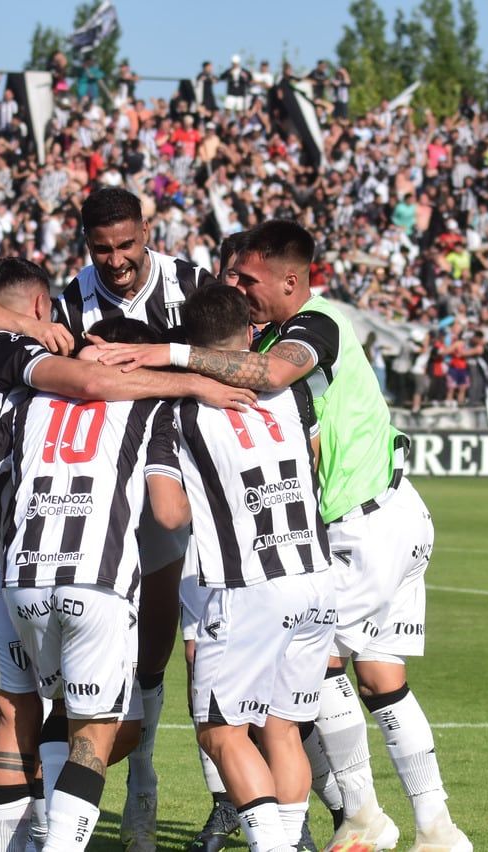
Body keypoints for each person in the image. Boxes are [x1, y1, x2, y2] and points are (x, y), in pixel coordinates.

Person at [94, 220, 472, 852]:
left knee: (301, 691)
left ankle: (358, 816)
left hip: (354, 526)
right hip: (383, 512)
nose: (237, 288)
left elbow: (267, 374)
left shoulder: (314, 325)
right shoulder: (273, 342)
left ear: (290, 280)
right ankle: (436, 828)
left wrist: (169, 357)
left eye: (248, 277)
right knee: (379, 677)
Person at [0, 188, 220, 850]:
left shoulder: (190, 283)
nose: (118, 261)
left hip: (179, 476)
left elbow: (238, 346)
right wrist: (34, 329)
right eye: (103, 250)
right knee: (91, 688)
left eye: (128, 246)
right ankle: (71, 806)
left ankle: (146, 786)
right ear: (86, 245)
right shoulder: (72, 297)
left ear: (147, 234)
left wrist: (177, 366)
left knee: (163, 661)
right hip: (99, 495)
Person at [0, 316, 184, 852]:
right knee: (95, 736)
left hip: (24, 586)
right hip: (97, 583)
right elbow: (168, 512)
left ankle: (40, 827)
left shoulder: (27, 407)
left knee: (64, 713)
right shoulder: (151, 405)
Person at [148, 285, 336, 852]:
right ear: (250, 333)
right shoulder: (294, 394)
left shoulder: (176, 413)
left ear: (189, 343)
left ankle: (270, 846)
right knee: (282, 727)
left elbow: (169, 513)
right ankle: (293, 839)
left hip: (249, 586)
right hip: (315, 576)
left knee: (222, 732)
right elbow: (314, 461)